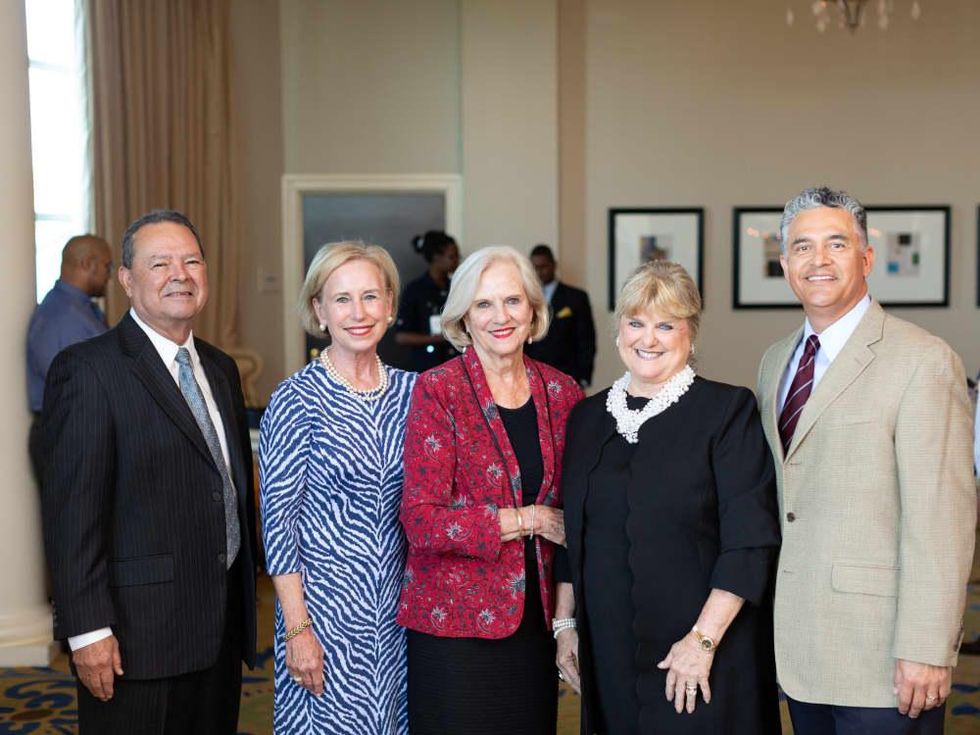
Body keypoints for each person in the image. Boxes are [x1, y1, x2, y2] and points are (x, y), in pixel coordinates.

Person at [757, 186, 976, 734]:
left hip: (886, 656)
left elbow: (942, 521)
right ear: (786, 264)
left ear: (867, 257)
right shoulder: (774, 361)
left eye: (837, 244)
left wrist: (927, 647)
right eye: (803, 248)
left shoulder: (922, 361)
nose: (819, 260)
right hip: (801, 646)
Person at [38, 209, 257, 734]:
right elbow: (73, 518)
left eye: (192, 261)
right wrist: (88, 631)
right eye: (159, 263)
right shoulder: (88, 370)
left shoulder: (221, 368)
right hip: (136, 641)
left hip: (219, 630)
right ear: (127, 280)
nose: (180, 274)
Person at [556, 260, 782, 734]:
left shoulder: (727, 411)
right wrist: (565, 627)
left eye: (665, 325)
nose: (648, 339)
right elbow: (571, 534)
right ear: (618, 330)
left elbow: (751, 541)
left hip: (703, 654)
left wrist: (700, 643)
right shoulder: (586, 418)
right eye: (636, 323)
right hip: (610, 655)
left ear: (690, 334)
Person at [397, 246, 583, 734]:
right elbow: (421, 521)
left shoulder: (563, 394)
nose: (500, 317)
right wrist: (529, 519)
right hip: (454, 627)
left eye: (512, 301)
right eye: (484, 304)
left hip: (534, 627)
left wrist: (565, 622)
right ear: (462, 316)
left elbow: (574, 520)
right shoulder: (438, 389)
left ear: (533, 310)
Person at [260, 241, 415, 734]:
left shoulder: (416, 393)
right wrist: (298, 629)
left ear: (390, 305)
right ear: (318, 309)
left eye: (370, 296)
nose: (358, 312)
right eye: (342, 298)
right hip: (326, 615)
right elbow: (278, 523)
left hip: (400, 614)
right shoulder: (295, 399)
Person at [26, 235, 112, 478]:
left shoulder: (81, 311)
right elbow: (75, 387)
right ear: (87, 264)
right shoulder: (61, 316)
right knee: (76, 514)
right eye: (107, 266)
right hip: (69, 432)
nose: (110, 275)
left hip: (78, 430)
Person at [525, 243, 596, 387]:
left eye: (544, 266)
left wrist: (584, 376)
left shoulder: (576, 297)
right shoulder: (524, 299)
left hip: (568, 374)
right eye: (535, 268)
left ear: (554, 265)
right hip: (531, 375)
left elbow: (587, 339)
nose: (539, 272)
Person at [394, 230, 461, 372]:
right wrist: (439, 338)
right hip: (428, 367)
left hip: (456, 365)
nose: (457, 260)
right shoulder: (415, 290)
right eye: (452, 256)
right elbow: (401, 337)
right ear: (437, 257)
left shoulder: (456, 287)